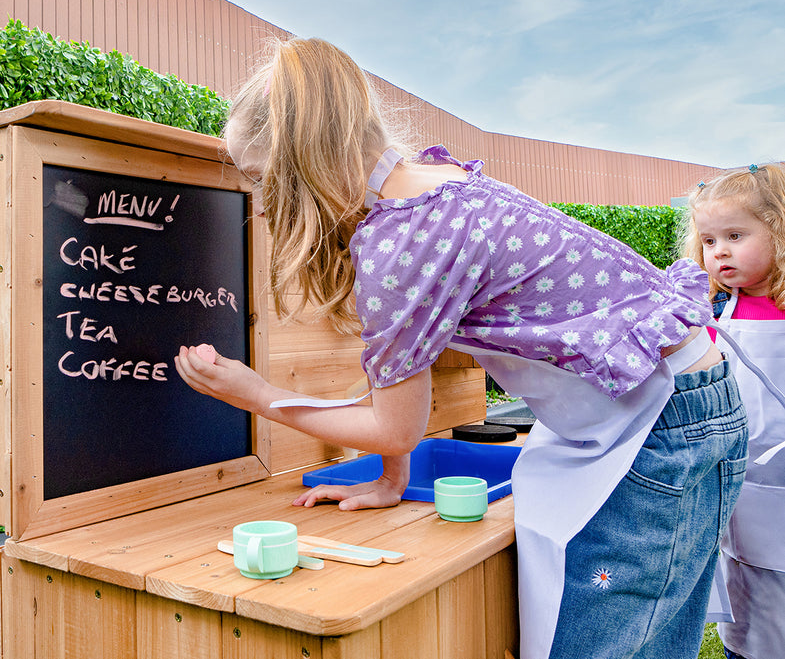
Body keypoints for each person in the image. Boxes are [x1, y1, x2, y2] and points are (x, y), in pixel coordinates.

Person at [175, 37, 747, 659]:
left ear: (298, 166)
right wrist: (392, 477)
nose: (262, 200)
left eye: (262, 179)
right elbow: (403, 363)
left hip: (663, 431)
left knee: (614, 637)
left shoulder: (399, 239)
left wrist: (258, 395)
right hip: (676, 412)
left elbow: (396, 424)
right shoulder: (430, 189)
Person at [682, 163, 785, 659]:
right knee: (749, 583)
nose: (718, 251)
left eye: (735, 235)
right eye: (708, 240)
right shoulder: (714, 312)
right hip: (740, 476)